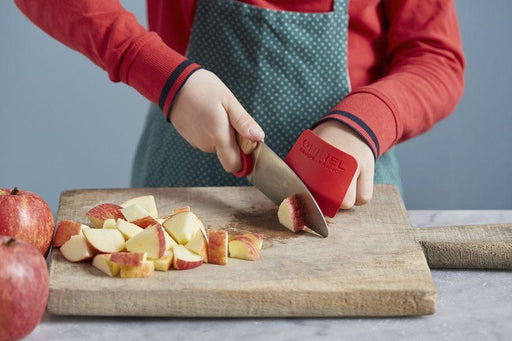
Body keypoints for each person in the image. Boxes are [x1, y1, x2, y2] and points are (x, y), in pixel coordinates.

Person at [15, 0, 464, 213]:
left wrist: (365, 122)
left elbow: (435, 56)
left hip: (350, 201)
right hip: (179, 195)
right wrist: (156, 70)